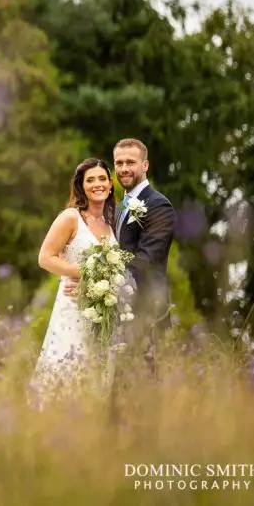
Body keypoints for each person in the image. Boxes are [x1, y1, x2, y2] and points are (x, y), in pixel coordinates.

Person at [29, 158, 117, 407]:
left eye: (102, 179)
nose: (97, 184)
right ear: (81, 186)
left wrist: (104, 284)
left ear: (110, 184)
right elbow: (45, 258)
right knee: (66, 373)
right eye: (90, 180)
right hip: (72, 308)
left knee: (96, 381)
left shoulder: (113, 223)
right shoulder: (71, 218)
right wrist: (81, 272)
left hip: (102, 314)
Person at [105, 138, 176, 384]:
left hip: (146, 314)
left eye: (130, 162)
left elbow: (146, 258)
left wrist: (102, 273)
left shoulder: (159, 205)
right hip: (119, 313)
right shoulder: (116, 207)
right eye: (119, 163)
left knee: (143, 397)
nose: (124, 168)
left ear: (145, 165)